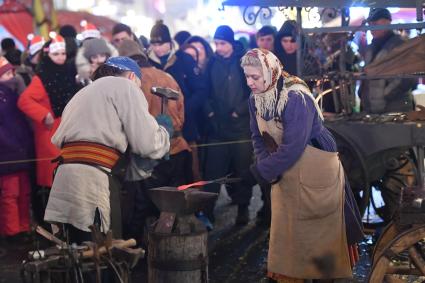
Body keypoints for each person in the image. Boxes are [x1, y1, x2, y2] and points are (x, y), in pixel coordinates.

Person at [240, 48, 363, 281]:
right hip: (284, 166)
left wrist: (262, 171)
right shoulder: (255, 99)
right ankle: (293, 274)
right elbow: (258, 137)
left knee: (317, 229)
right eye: (246, 77)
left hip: (315, 163)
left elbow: (293, 147)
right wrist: (265, 164)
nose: (250, 83)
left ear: (269, 72)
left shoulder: (295, 97)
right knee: (288, 228)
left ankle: (322, 274)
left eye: (255, 77)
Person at [44, 56, 171, 243]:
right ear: (131, 76)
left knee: (76, 248)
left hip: (64, 177)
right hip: (94, 178)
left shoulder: (82, 92)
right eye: (139, 82)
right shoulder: (126, 87)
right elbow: (147, 144)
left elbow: (59, 139)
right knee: (105, 250)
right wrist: (163, 134)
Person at [117, 40, 191, 241]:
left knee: (139, 207)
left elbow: (127, 121)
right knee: (171, 208)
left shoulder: (130, 81)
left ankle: (137, 251)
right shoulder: (167, 76)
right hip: (177, 150)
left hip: (149, 155)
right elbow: (182, 114)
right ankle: (170, 249)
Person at [18, 33, 80, 224]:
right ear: (48, 55)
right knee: (54, 183)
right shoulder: (42, 77)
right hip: (50, 135)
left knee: (66, 181)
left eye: (63, 53)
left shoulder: (69, 72)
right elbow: (24, 100)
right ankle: (53, 224)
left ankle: (65, 224)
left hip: (65, 132)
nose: (61, 57)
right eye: (56, 54)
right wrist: (43, 115)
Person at [203, 25, 253, 225]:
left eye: (222, 43)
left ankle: (243, 208)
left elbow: (253, 90)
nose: (218, 47)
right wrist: (210, 111)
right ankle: (207, 211)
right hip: (219, 128)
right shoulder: (211, 63)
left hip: (240, 127)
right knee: (213, 172)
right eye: (216, 43)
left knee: (242, 171)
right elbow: (205, 90)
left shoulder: (244, 63)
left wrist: (239, 111)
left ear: (231, 43)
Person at [147, 20, 207, 181]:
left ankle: (192, 205)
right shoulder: (147, 62)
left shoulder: (184, 59)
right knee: (159, 177)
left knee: (189, 173)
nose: (157, 48)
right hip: (154, 128)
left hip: (184, 127)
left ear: (169, 42)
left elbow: (201, 90)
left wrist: (183, 109)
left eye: (161, 44)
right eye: (154, 44)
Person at [0, 57, 33, 240]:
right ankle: (12, 231)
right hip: (7, 153)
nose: (11, 76)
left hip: (20, 151)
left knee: (24, 192)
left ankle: (23, 226)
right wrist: (10, 145)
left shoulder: (14, 94)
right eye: (6, 73)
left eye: (11, 72)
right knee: (10, 194)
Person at [359, 8, 416, 113]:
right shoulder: (371, 47)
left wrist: (384, 94)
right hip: (373, 111)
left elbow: (408, 79)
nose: (371, 27)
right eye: (370, 23)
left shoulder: (400, 45)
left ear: (387, 22)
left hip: (396, 109)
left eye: (375, 23)